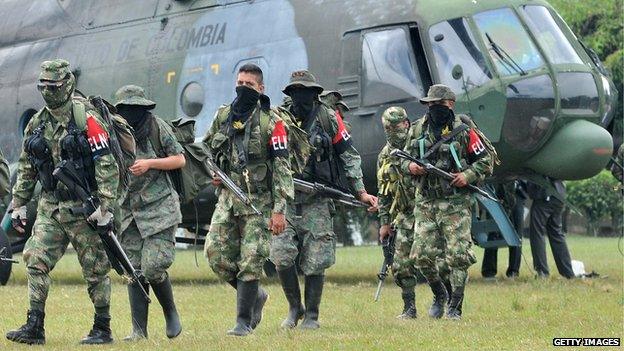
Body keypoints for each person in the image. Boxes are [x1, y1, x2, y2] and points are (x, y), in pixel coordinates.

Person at [6, 59, 119, 345]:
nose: (48, 92)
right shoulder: (37, 124)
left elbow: (106, 163)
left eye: (53, 86)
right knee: (35, 259)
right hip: (51, 206)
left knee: (95, 269)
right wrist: (18, 204)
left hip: (85, 207)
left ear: (67, 85)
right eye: (43, 86)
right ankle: (34, 326)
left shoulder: (87, 119)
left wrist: (104, 206)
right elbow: (28, 167)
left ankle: (102, 327)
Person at [270, 70, 377, 330]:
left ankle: (312, 316)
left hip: (318, 199)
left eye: (306, 91)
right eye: (296, 91)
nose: (301, 96)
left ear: (316, 93)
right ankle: (295, 308)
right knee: (281, 255)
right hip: (284, 198)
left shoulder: (329, 119)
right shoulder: (277, 119)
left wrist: (360, 191)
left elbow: (349, 156)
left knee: (317, 257)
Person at [203, 63, 294, 336]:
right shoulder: (224, 116)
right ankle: (257, 297)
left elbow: (282, 169)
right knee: (215, 255)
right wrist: (214, 173)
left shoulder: (273, 122)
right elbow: (205, 150)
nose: (242, 88)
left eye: (249, 85)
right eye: (240, 83)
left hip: (259, 203)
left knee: (251, 260)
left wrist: (279, 210)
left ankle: (243, 322)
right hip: (229, 198)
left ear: (261, 88)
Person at [402, 84, 494, 320]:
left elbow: (486, 160)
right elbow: (402, 162)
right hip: (426, 202)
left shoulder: (463, 129)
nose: (433, 108)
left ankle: (455, 305)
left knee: (458, 256)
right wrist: (412, 167)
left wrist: (467, 176)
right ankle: (440, 294)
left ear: (450, 104)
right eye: (430, 104)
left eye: (438, 104)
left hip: (455, 203)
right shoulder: (416, 130)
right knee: (421, 256)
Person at [114, 85, 185, 340]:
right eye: (126, 109)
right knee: (134, 270)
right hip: (129, 212)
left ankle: (171, 313)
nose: (132, 114)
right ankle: (138, 331)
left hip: (160, 209)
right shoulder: (115, 132)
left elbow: (179, 159)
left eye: (137, 109)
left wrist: (150, 164)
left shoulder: (157, 127)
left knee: (154, 266)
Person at [376, 106, 420, 319]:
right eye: (389, 127)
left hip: (427, 211)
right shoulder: (384, 156)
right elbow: (383, 194)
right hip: (403, 216)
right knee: (401, 265)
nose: (394, 130)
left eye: (398, 125)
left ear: (407, 123)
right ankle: (409, 307)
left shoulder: (419, 145)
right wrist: (384, 222)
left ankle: (443, 296)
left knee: (432, 260)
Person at [527, 179, 575, 279]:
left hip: (544, 194)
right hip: (559, 195)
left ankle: (542, 272)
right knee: (556, 233)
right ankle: (568, 273)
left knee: (537, 233)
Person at [481, 181, 527, 279]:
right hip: (498, 194)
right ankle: (489, 271)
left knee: (517, 233)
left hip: (517, 193)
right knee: (494, 231)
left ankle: (513, 272)